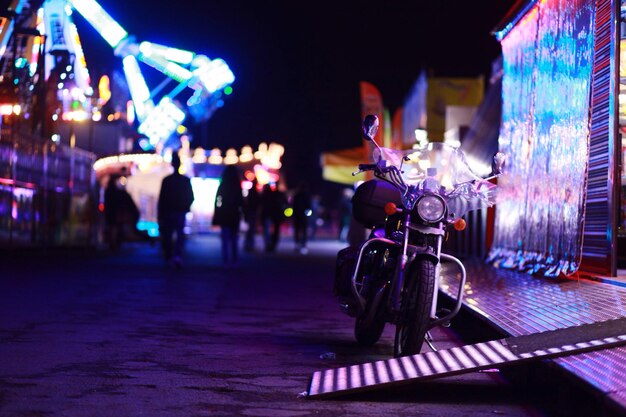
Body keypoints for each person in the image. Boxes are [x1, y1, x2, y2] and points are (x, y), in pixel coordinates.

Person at [157, 153, 195, 268]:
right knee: (179, 235)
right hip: (179, 211)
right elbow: (191, 197)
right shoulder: (185, 180)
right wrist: (185, 207)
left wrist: (160, 213)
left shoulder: (167, 180)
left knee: (168, 235)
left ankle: (169, 256)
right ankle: (177, 256)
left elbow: (162, 198)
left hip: (169, 211)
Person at [212, 165, 244, 265]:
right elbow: (241, 201)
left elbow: (217, 200)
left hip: (225, 213)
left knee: (225, 238)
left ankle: (226, 259)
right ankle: (234, 258)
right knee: (234, 238)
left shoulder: (223, 184)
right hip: (234, 214)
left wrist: (217, 213)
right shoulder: (237, 185)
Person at [104, 174, 140, 250]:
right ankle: (115, 242)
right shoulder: (117, 192)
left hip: (112, 212)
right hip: (114, 212)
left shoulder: (109, 191)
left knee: (113, 227)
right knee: (116, 227)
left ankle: (114, 243)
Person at [260, 183, 286, 252]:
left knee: (268, 230)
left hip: (270, 215)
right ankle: (271, 245)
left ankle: (269, 245)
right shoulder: (274, 194)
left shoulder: (269, 195)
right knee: (273, 230)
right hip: (273, 215)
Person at [292, 182, 312, 254]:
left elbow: (293, 206)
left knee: (298, 230)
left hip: (298, 215)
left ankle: (298, 244)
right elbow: (309, 207)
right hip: (303, 216)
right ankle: (303, 244)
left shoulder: (296, 196)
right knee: (303, 230)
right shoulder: (306, 196)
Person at [243, 178, 260, 252]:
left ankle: (248, 244)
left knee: (250, 229)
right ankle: (249, 244)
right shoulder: (254, 192)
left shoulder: (251, 192)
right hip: (252, 212)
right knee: (251, 229)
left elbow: (246, 203)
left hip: (251, 212)